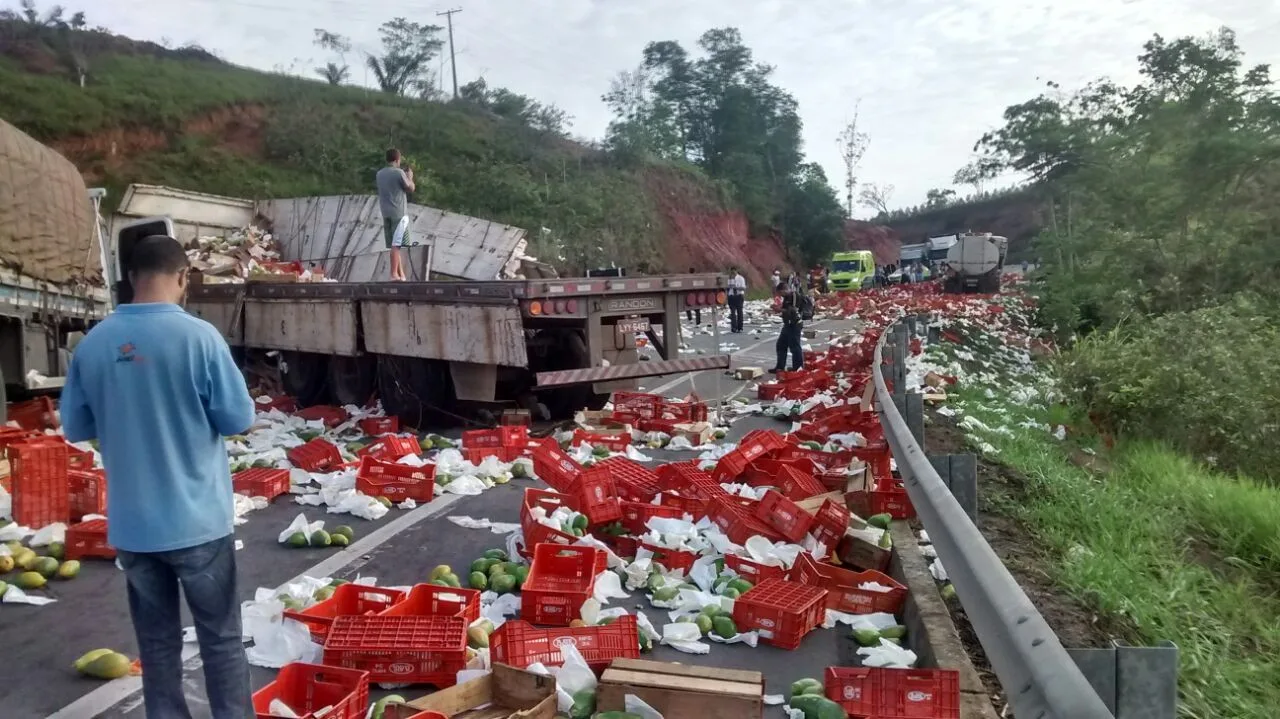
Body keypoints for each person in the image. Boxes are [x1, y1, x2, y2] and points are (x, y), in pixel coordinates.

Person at [60, 235, 256, 718]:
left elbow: (77, 426)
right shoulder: (200, 338)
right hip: (198, 523)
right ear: (183, 277)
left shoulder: (95, 342)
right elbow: (237, 420)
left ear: (130, 278)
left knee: (158, 645)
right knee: (221, 640)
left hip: (134, 528)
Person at [376, 148, 416, 281]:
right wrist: (410, 177)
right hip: (398, 213)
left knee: (394, 245)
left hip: (385, 212)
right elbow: (410, 188)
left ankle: (401, 275)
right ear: (398, 159)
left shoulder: (380, 174)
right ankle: (394, 274)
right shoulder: (399, 173)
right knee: (396, 245)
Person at [771, 282, 804, 373]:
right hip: (787, 324)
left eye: (780, 293)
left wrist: (780, 310)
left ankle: (798, 368)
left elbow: (792, 311)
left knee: (795, 346)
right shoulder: (786, 297)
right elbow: (786, 309)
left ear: (784, 289)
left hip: (794, 324)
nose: (780, 295)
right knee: (781, 345)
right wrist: (777, 308)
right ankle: (780, 367)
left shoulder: (794, 296)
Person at [727, 267, 747, 333]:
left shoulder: (741, 278)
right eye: (731, 272)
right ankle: (733, 327)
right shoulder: (729, 279)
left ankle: (740, 327)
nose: (733, 273)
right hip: (731, 296)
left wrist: (737, 287)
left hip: (738, 296)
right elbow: (726, 288)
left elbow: (743, 288)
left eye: (734, 272)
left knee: (739, 312)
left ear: (736, 271)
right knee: (732, 313)